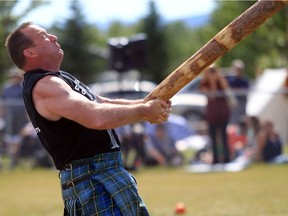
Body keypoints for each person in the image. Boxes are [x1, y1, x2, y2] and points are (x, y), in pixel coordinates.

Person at [5, 22, 172, 215]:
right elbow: (96, 117)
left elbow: (101, 102)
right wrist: (144, 111)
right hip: (93, 178)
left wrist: (146, 105)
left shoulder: (59, 78)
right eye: (43, 36)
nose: (53, 37)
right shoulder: (46, 85)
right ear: (30, 53)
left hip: (103, 173)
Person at [199, 64, 231, 165]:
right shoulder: (205, 83)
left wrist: (218, 77)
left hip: (223, 114)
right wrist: (211, 80)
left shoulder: (221, 80)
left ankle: (226, 158)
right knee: (213, 138)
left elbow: (227, 89)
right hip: (212, 115)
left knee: (224, 137)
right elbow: (211, 96)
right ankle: (216, 159)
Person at [1, 68, 29, 168]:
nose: (14, 79)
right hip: (9, 118)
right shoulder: (6, 88)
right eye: (12, 77)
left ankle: (16, 158)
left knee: (19, 138)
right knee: (8, 138)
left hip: (20, 119)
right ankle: (11, 158)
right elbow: (3, 104)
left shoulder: (23, 87)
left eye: (16, 77)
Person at [226, 59, 249, 124]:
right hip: (232, 103)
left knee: (242, 120)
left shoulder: (245, 80)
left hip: (242, 103)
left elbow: (245, 90)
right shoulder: (230, 79)